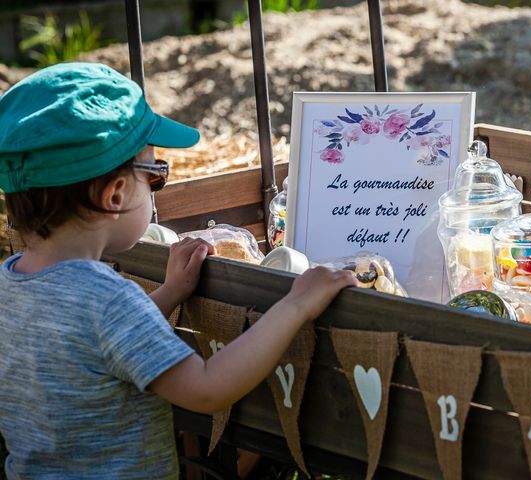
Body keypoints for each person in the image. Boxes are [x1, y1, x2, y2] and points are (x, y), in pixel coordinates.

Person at [0, 62, 357, 479]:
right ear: (115, 194)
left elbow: (93, 345)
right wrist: (296, 304)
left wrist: (168, 294)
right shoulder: (109, 299)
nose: (156, 187)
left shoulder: (12, 281)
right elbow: (207, 388)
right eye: (155, 176)